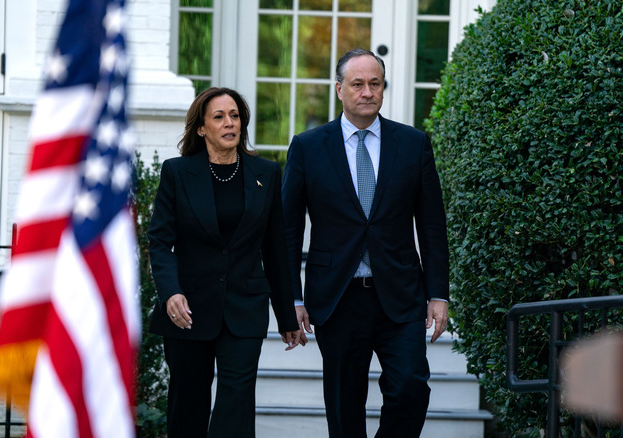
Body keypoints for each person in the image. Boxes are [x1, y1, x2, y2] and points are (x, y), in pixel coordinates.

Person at [282, 48, 450, 438]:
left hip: (401, 295)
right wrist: (292, 298)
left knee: (410, 387)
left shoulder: (413, 144)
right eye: (357, 84)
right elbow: (288, 231)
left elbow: (431, 226)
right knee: (344, 407)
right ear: (339, 89)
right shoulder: (308, 147)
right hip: (337, 297)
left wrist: (438, 293)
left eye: (375, 83)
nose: (367, 92)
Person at [147, 87, 302, 438]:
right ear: (202, 128)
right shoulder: (177, 172)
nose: (229, 123)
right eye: (219, 117)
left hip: (244, 307)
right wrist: (170, 292)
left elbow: (275, 248)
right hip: (188, 309)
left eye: (234, 116)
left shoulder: (266, 172)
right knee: (188, 403)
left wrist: (287, 314)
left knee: (237, 400)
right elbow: (159, 241)